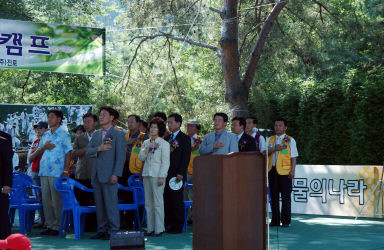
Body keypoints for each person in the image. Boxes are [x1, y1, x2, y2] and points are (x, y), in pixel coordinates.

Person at [86, 107, 126, 240]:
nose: (101, 117)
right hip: (96, 175)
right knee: (100, 205)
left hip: (110, 175)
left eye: (104, 115)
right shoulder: (96, 134)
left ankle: (114, 231)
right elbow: (88, 151)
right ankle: (102, 230)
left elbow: (121, 156)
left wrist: (116, 174)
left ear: (112, 118)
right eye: (100, 114)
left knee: (111, 204)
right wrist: (99, 148)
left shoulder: (118, 133)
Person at [34, 109, 72, 236]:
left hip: (57, 171)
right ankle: (49, 225)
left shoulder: (64, 134)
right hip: (44, 170)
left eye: (52, 117)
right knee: (46, 199)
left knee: (56, 200)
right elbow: (39, 151)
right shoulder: (45, 135)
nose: (49, 119)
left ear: (59, 119)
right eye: (48, 117)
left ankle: (58, 226)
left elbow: (68, 152)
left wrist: (66, 170)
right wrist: (44, 147)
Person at [139, 118, 170, 237]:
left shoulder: (164, 144)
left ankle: (159, 229)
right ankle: (150, 228)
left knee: (158, 202)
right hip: (147, 174)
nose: (152, 129)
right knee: (148, 203)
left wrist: (162, 176)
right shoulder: (146, 142)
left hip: (157, 175)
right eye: (151, 127)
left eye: (155, 127)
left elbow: (165, 162)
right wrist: (148, 147)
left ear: (160, 129)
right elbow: (141, 158)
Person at [267, 118, 298, 227]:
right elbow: (264, 153)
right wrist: (274, 149)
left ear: (285, 128)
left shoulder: (290, 140)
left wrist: (292, 170)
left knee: (285, 197)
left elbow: (293, 157)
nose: (277, 127)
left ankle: (285, 221)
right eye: (276, 125)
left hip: (285, 172)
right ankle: (275, 220)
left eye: (280, 125)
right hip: (272, 171)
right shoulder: (270, 139)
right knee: (274, 197)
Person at [164, 113, 191, 234]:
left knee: (176, 200)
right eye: (168, 122)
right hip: (165, 174)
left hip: (177, 175)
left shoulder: (184, 138)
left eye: (171, 122)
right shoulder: (166, 138)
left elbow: (186, 157)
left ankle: (177, 225)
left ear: (178, 123)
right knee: (167, 199)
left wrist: (181, 172)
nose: (169, 125)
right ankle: (168, 223)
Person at [119, 114, 148, 229]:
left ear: (138, 124)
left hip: (137, 172)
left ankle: (137, 223)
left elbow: (147, 155)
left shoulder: (144, 137)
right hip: (123, 170)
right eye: (128, 121)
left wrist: (142, 172)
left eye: (132, 121)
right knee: (125, 196)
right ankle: (125, 221)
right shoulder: (123, 136)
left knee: (137, 197)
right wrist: (126, 143)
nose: (130, 124)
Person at [71, 113, 98, 231]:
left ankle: (96, 225)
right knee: (84, 200)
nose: (86, 124)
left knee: (97, 200)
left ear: (95, 123)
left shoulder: (102, 136)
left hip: (97, 172)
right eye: (85, 122)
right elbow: (73, 153)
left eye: (89, 121)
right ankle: (85, 226)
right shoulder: (79, 138)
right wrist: (85, 150)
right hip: (82, 173)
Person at [28, 121, 49, 227]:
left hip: (47, 172)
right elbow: (30, 158)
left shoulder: (49, 141)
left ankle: (49, 221)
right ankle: (43, 220)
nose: (38, 130)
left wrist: (40, 150)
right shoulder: (35, 141)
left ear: (46, 130)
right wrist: (39, 150)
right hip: (36, 172)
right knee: (39, 197)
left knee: (48, 198)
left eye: (40, 128)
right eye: (36, 129)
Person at [185, 120, 203, 224]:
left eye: (191, 126)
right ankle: (186, 217)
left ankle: (194, 217)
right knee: (185, 196)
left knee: (195, 196)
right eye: (188, 126)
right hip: (185, 173)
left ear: (197, 129)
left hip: (197, 173)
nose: (189, 128)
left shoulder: (202, 141)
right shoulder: (184, 139)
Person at [0, 131, 12, 239]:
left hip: (1, 186)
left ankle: (6, 241)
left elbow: (8, 165)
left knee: (2, 214)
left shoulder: (3, 142)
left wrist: (7, 184)